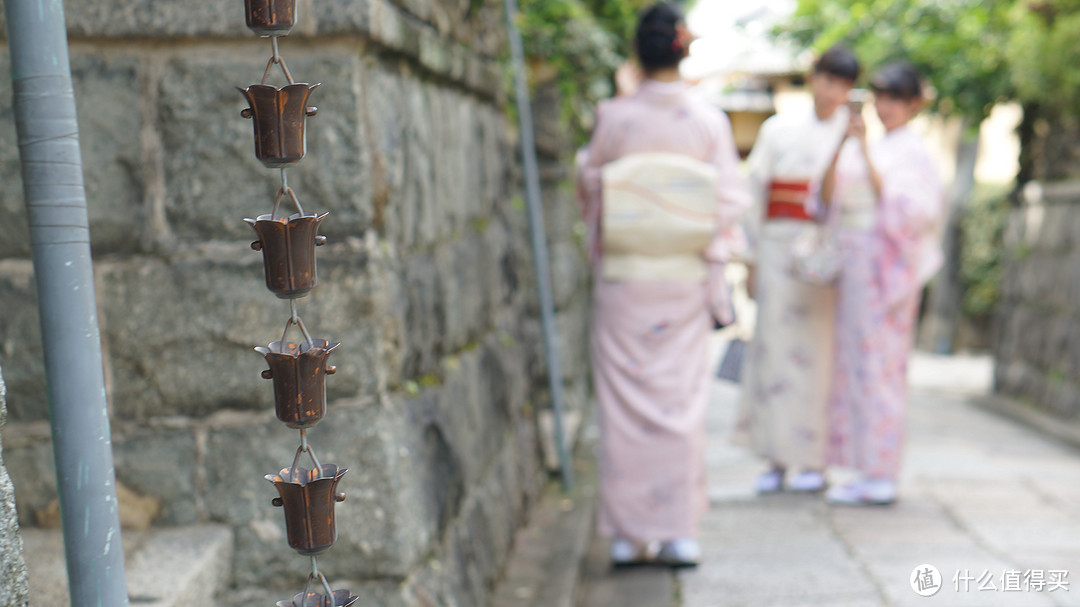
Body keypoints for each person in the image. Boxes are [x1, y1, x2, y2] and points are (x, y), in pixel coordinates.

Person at [577, 3, 751, 566]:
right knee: (679, 401)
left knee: (624, 404)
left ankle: (628, 536)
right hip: (682, 280)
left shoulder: (615, 117)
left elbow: (591, 186)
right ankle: (678, 532)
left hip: (627, 280)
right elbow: (727, 200)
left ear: (637, 51)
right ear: (684, 47)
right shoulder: (707, 121)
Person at [733, 46, 860, 494]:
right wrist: (748, 259)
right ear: (813, 78)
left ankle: (815, 459)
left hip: (824, 256)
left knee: (821, 358)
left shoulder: (854, 133)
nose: (832, 91)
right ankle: (774, 458)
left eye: (842, 84)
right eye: (828, 79)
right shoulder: (777, 128)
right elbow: (753, 194)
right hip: (776, 246)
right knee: (772, 352)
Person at [818, 61, 944, 505]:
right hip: (856, 266)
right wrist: (848, 144)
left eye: (895, 99)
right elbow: (830, 198)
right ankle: (861, 466)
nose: (886, 107)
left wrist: (867, 153)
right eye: (881, 98)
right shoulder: (866, 144)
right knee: (854, 367)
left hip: (885, 271)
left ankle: (881, 471)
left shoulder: (912, 150)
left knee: (881, 369)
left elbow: (911, 214)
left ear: (913, 104)